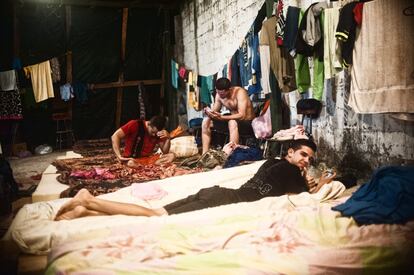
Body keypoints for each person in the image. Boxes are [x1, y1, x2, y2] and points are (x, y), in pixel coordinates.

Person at [55, 139, 336, 220]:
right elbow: (308, 195)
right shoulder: (289, 171)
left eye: (308, 159)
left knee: (157, 213)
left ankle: (85, 210)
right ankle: (88, 200)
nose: (305, 161)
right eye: (303, 155)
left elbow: (298, 188)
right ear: (290, 152)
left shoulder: (272, 162)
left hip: (216, 191)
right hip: (222, 199)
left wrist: (308, 177)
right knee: (154, 215)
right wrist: (323, 182)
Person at [201, 77, 255, 154]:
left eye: (222, 93)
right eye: (218, 92)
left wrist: (222, 117)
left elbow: (242, 115)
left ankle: (232, 154)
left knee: (232, 122)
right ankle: (204, 153)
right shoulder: (219, 95)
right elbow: (214, 111)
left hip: (247, 123)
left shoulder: (239, 92)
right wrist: (208, 112)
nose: (220, 95)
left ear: (229, 89)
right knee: (206, 121)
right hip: (231, 122)